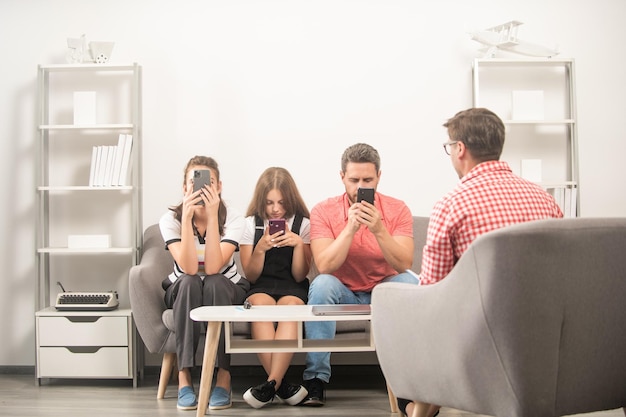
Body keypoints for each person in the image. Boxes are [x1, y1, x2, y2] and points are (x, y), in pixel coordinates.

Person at [398, 107, 564, 417]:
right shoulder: (544, 198)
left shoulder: (452, 203)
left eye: (450, 147)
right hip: (544, 331)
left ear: (460, 149)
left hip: (482, 334)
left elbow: (433, 289)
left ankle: (422, 406)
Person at [300, 143, 418, 406]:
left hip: (383, 290)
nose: (359, 187)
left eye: (367, 180)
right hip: (343, 291)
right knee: (321, 285)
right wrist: (350, 229)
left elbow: (404, 264)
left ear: (378, 177)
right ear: (342, 177)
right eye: (353, 180)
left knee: (411, 282)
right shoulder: (323, 210)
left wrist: (378, 230)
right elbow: (325, 265)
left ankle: (407, 381)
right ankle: (315, 379)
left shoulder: (397, 209)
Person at [159, 155, 250, 411]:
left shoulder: (232, 218)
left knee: (215, 282)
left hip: (224, 285)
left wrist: (212, 218)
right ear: (185, 188)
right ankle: (184, 375)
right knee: (189, 282)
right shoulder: (170, 220)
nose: (201, 188)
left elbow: (212, 267)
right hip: (183, 287)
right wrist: (187, 220)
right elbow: (188, 268)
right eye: (194, 183)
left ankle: (223, 375)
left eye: (208, 183)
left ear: (218, 187)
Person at [238, 167, 312, 409]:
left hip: (293, 285)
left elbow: (300, 274)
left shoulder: (303, 224)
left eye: (281, 202)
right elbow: (250, 274)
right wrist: (260, 248)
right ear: (261, 201)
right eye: (269, 203)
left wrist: (299, 245)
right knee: (260, 307)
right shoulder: (251, 224)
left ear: (291, 199)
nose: (276, 209)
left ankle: (270, 385)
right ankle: (280, 385)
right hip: (261, 285)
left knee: (290, 309)